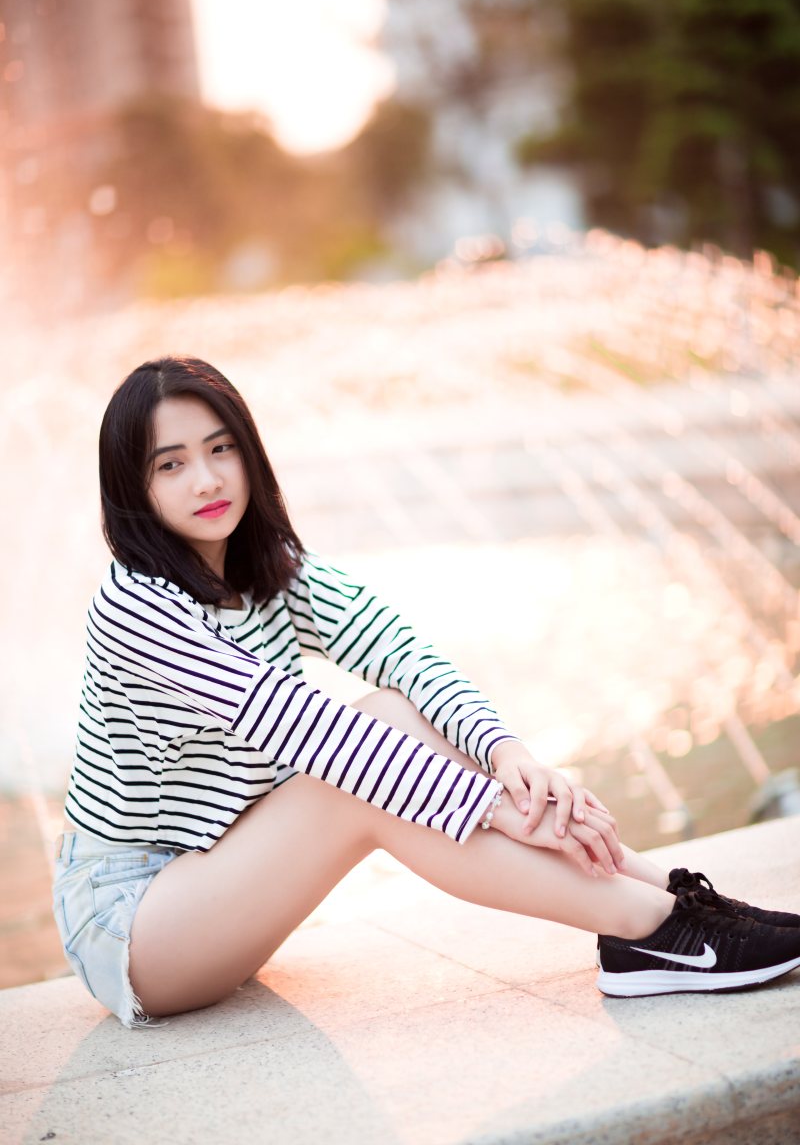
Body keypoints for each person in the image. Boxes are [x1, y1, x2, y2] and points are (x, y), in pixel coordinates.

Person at [53, 356, 800, 1028]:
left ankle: (673, 899)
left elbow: (399, 650)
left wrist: (506, 755)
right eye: (171, 465)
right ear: (134, 488)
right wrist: (497, 810)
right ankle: (649, 931)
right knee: (348, 774)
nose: (208, 479)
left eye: (221, 449)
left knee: (395, 711)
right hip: (132, 926)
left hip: (218, 886)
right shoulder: (137, 609)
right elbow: (306, 730)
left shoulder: (264, 565)